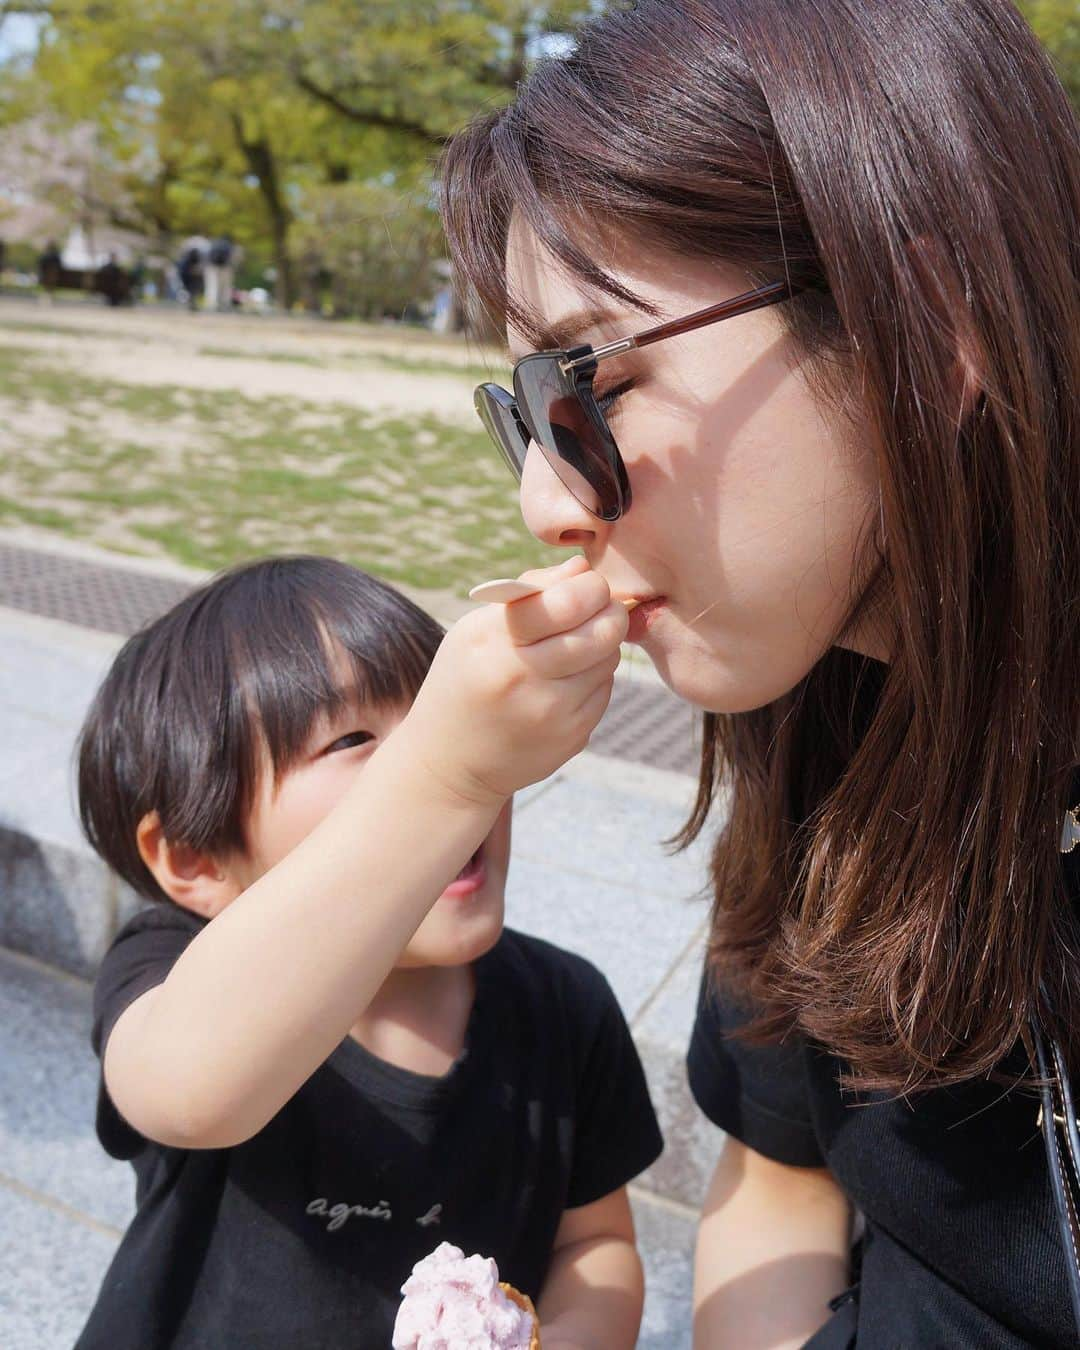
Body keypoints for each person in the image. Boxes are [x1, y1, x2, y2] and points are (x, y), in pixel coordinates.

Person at [438, 0, 1080, 1345]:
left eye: (590, 391)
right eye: (522, 415)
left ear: (930, 319)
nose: (547, 502)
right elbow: (782, 1177)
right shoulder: (824, 725)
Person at [73, 555, 661, 1349]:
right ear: (197, 861)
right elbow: (184, 1087)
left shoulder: (564, 1005)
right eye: (354, 739)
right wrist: (441, 775)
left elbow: (595, 1246)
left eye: (437, 722)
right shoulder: (176, 974)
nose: (448, 771)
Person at [205, 233, 234, 311]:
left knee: (212, 286)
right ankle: (224, 305)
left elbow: (208, 256)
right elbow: (230, 258)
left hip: (212, 267)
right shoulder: (228, 245)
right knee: (224, 288)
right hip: (225, 268)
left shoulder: (214, 244)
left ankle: (211, 305)